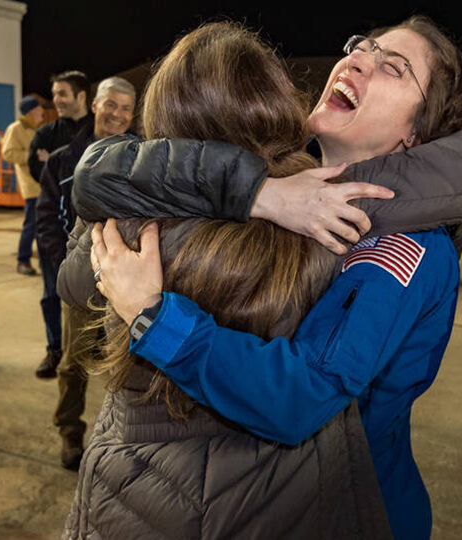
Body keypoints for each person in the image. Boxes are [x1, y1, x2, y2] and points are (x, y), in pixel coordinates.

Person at [85, 16, 462, 539]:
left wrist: (156, 316)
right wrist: (262, 195)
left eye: (393, 68)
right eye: (362, 47)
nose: (356, 60)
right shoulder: (291, 182)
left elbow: (305, 392)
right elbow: (115, 171)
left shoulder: (404, 248)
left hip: (351, 507)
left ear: (413, 135)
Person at [60, 23, 392, 539]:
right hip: (289, 490)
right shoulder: (333, 213)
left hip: (146, 487)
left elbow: (72, 280)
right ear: (273, 97)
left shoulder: (129, 225)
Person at [37, 76, 136, 469]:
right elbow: (46, 217)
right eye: (111, 104)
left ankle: (122, 433)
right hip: (80, 278)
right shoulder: (64, 159)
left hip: (126, 280)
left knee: (129, 360)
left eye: (126, 108)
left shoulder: (140, 156)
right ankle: (69, 431)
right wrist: (61, 264)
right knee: (74, 361)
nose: (117, 114)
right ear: (94, 104)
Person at [30, 70, 92, 379]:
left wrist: (50, 162)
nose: (56, 100)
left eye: (62, 94)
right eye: (54, 94)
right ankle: (54, 348)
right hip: (55, 228)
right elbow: (35, 170)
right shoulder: (45, 133)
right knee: (51, 293)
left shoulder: (96, 130)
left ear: (81, 96)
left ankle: (91, 350)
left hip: (89, 238)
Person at [3, 95, 45, 276]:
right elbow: (8, 153)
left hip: (42, 183)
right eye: (39, 108)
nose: (43, 111)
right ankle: (23, 260)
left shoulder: (36, 129)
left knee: (43, 226)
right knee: (31, 225)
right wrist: (32, 156)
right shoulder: (16, 129)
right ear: (31, 112)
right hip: (30, 184)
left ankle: (44, 263)